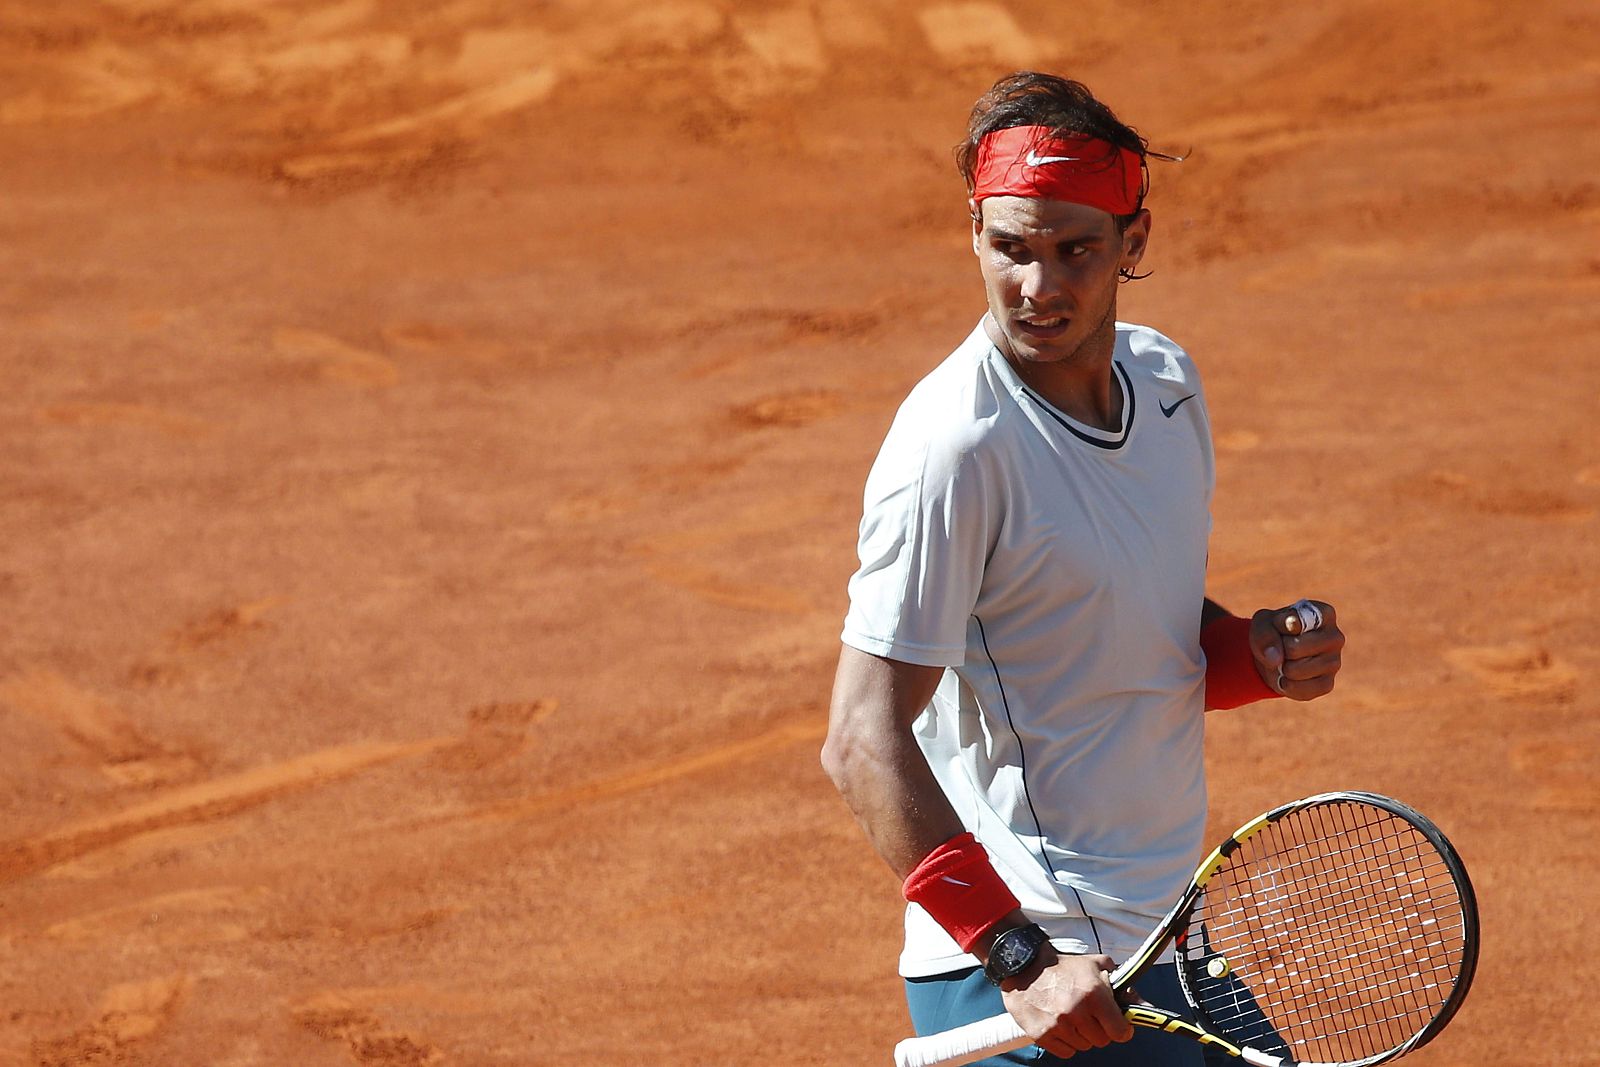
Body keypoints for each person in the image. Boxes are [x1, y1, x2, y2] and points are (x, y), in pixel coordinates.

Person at [820, 72, 1346, 1066]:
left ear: (1132, 243)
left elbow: (1127, 622)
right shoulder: (954, 450)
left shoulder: (1164, 385)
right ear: (972, 234)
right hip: (1034, 969)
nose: (1038, 285)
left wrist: (1253, 653)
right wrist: (1020, 959)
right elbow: (858, 735)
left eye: (1075, 250)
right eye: (1010, 247)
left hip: (1158, 938)